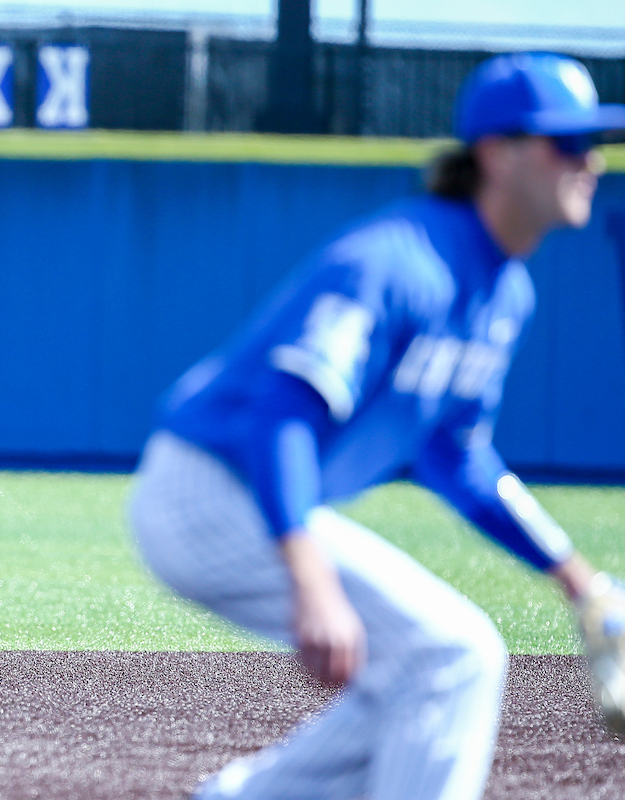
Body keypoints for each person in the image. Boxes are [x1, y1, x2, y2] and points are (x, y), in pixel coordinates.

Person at [129, 52, 625, 800]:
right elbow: (283, 413)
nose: (590, 161)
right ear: (497, 152)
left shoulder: (504, 291)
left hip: (260, 497)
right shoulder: (396, 261)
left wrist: (579, 581)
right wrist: (311, 578)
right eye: (567, 143)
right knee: (455, 655)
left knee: (423, 671)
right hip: (210, 488)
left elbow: (458, 458)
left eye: (594, 145)